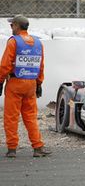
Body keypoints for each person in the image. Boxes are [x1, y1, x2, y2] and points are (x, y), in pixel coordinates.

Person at [0, 15, 52, 158]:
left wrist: (0, 81)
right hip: (31, 84)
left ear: (17, 26)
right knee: (30, 117)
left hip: (16, 83)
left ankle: (12, 149)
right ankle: (38, 147)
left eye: (12, 25)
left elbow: (5, 65)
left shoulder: (13, 42)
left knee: (11, 116)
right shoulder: (37, 43)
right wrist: (39, 83)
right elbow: (40, 65)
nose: (11, 28)